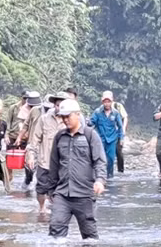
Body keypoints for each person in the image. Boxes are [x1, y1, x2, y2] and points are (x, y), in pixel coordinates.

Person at [45, 98, 107, 239]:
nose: (65, 120)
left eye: (68, 116)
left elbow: (100, 161)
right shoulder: (59, 137)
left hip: (85, 194)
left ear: (77, 114)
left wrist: (100, 180)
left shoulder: (90, 135)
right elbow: (54, 165)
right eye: (63, 117)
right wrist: (51, 190)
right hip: (62, 194)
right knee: (56, 232)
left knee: (89, 237)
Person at [23, 92, 70, 214]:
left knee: (60, 190)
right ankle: (42, 208)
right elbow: (34, 140)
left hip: (63, 164)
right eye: (58, 105)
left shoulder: (70, 121)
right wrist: (31, 156)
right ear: (54, 105)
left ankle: (58, 209)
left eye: (62, 105)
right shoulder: (44, 119)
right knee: (41, 189)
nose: (60, 108)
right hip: (45, 162)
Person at [89, 91, 124, 179]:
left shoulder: (115, 113)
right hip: (100, 139)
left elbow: (120, 127)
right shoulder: (97, 112)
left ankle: (109, 176)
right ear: (102, 102)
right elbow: (91, 122)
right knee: (99, 158)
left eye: (108, 101)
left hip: (112, 139)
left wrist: (121, 138)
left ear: (112, 102)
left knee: (111, 159)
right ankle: (99, 176)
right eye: (105, 101)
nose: (107, 103)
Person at [113, 98, 129, 173]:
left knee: (118, 151)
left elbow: (125, 117)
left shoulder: (118, 106)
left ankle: (121, 170)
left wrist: (123, 129)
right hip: (108, 133)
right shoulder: (102, 108)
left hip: (118, 133)